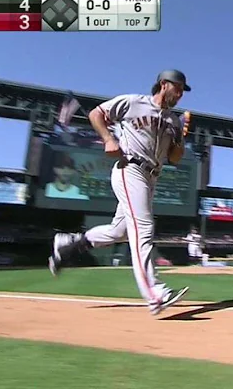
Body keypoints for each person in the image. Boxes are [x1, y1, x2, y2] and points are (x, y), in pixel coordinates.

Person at [47, 69, 192, 316]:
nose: (180, 94)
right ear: (164, 84)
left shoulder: (173, 121)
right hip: (130, 169)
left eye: (182, 91)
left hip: (151, 177)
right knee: (143, 227)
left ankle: (69, 245)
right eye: (177, 88)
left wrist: (181, 138)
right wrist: (107, 138)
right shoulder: (133, 102)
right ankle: (154, 293)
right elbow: (96, 114)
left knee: (120, 232)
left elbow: (175, 158)